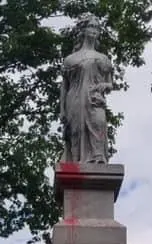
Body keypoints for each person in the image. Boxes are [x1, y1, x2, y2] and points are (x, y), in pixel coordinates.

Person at [60, 14, 113, 164]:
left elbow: (110, 84)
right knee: (76, 132)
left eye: (97, 27)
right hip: (74, 99)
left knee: (98, 124)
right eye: (91, 26)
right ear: (83, 30)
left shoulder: (103, 58)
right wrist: (62, 110)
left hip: (95, 99)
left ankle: (98, 158)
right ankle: (77, 162)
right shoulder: (71, 59)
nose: (94, 30)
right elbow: (64, 86)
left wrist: (104, 85)